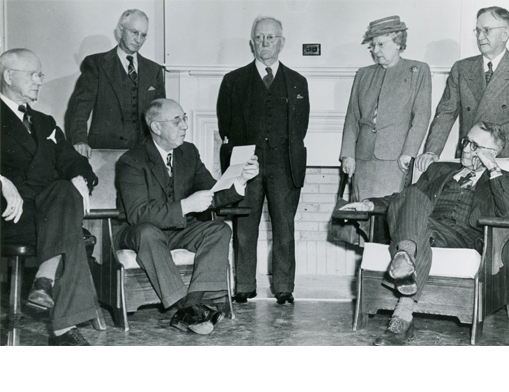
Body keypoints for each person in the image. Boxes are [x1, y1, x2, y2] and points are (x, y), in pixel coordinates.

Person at [340, 121, 509, 345]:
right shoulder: (439, 169)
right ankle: (403, 300)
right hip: (423, 228)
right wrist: (369, 205)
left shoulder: (501, 178)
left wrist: (493, 168)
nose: (466, 149)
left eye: (475, 146)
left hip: (461, 237)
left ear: (491, 153)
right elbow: (404, 200)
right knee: (411, 196)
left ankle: (404, 259)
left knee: (414, 225)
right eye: (466, 142)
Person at [114, 99, 259, 335]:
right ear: (156, 127)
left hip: (178, 231)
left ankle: (193, 302)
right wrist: (185, 206)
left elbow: (213, 192)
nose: (184, 126)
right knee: (148, 232)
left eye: (185, 119)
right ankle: (185, 306)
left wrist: (240, 180)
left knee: (219, 230)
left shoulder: (188, 152)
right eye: (177, 120)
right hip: (140, 233)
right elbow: (138, 213)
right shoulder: (132, 160)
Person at [0, 48, 100, 345]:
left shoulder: (44, 122)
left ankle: (44, 280)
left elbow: (73, 161)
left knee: (67, 189)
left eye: (40, 74)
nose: (39, 81)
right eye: (32, 74)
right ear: (8, 76)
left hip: (48, 210)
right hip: (11, 215)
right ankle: (63, 329)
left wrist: (82, 180)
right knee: (69, 229)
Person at [216, 16, 310, 305]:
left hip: (284, 165)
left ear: (281, 42)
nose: (265, 43)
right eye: (260, 37)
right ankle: (244, 285)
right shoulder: (234, 81)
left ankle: (284, 286)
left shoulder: (297, 82)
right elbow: (225, 126)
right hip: (247, 167)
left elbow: (300, 126)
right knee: (245, 228)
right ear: (252, 43)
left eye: (271, 37)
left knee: (284, 228)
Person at [340, 15, 431, 202]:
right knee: (362, 215)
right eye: (372, 46)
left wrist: (409, 152)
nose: (375, 50)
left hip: (396, 161)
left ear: (398, 42)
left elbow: (421, 116)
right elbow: (352, 118)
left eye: (381, 44)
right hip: (363, 160)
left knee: (389, 216)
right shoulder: (363, 74)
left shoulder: (418, 70)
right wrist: (348, 154)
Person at [416, 6, 509, 172]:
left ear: (505, 34)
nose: (480, 37)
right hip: (468, 158)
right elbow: (446, 113)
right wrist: (431, 151)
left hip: (503, 161)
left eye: (486, 30)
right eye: (478, 30)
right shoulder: (462, 68)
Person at [65, 9, 165, 158]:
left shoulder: (154, 70)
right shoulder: (96, 64)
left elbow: (160, 114)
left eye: (143, 35)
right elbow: (79, 108)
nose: (138, 40)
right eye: (134, 32)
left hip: (143, 153)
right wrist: (79, 141)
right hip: (104, 150)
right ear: (120, 30)